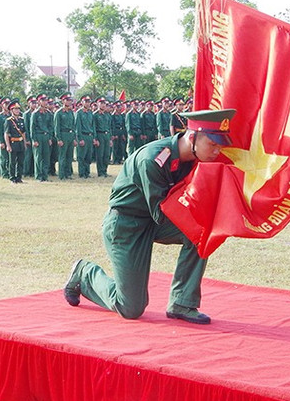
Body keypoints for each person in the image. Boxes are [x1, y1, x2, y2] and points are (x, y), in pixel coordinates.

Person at [64, 108, 236, 325]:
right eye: (212, 144)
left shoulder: (193, 158)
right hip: (126, 225)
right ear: (192, 137)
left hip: (153, 221)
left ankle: (182, 302)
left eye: (220, 145)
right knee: (131, 307)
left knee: (203, 232)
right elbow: (162, 211)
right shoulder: (153, 159)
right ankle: (84, 273)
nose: (216, 151)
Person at [30, 93, 53, 182]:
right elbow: (32, 128)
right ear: (39, 102)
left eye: (46, 100)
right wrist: (34, 140)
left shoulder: (48, 114)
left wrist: (50, 137)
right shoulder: (35, 114)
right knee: (38, 157)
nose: (45, 102)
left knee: (46, 157)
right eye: (43, 100)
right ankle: (39, 176)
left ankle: (45, 175)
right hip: (38, 136)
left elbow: (51, 127)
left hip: (46, 136)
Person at [54, 92, 76, 179]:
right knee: (62, 156)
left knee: (69, 156)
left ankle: (68, 174)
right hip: (63, 135)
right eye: (67, 100)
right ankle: (62, 175)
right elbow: (57, 127)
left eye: (70, 100)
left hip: (70, 135)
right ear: (63, 101)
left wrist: (74, 138)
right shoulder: (59, 113)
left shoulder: (71, 112)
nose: (69, 102)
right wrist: (59, 139)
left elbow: (73, 126)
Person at [4, 100, 27, 184]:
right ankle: (12, 178)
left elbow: (23, 132)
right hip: (13, 143)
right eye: (15, 109)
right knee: (12, 162)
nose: (17, 110)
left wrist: (24, 143)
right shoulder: (9, 121)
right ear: (11, 110)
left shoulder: (21, 120)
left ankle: (19, 177)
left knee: (20, 161)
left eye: (18, 109)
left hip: (20, 143)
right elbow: (6, 134)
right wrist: (8, 145)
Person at [75, 95, 94, 178]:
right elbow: (77, 127)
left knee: (88, 156)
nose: (87, 103)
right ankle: (82, 173)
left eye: (89, 101)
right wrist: (79, 138)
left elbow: (93, 126)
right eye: (85, 101)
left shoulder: (90, 113)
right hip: (83, 135)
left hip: (90, 136)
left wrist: (94, 137)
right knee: (81, 156)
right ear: (82, 102)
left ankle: (87, 172)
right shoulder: (79, 113)